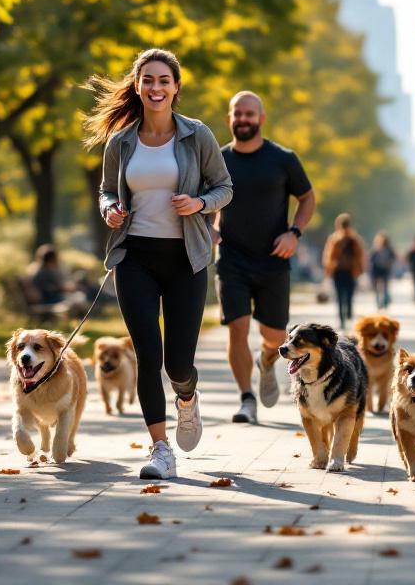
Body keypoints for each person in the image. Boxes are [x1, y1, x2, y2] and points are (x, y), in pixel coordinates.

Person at [85, 47, 233, 480]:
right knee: (148, 354)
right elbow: (105, 191)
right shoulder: (121, 141)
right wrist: (110, 208)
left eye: (163, 80)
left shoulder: (197, 135)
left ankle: (187, 398)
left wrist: (200, 202)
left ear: (176, 88)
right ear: (137, 86)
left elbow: (225, 187)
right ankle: (160, 448)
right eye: (147, 80)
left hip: (187, 257)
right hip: (136, 257)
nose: (155, 87)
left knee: (178, 363)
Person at [215, 90, 315, 425]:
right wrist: (209, 229)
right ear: (230, 118)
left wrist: (294, 233)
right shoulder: (216, 159)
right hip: (231, 258)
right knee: (237, 329)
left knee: (274, 336)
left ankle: (268, 360)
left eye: (249, 113)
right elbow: (201, 200)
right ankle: (246, 399)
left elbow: (307, 198)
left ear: (261, 118)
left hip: (273, 259)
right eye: (237, 113)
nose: (243, 119)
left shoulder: (282, 158)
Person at [322, 213, 365, 330]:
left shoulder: (354, 239)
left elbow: (360, 255)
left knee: (350, 295)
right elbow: (329, 256)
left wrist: (361, 270)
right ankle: (341, 319)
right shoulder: (335, 239)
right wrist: (328, 270)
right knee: (339, 297)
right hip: (338, 271)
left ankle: (349, 312)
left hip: (351, 271)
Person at [26, 244, 90, 315]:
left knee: (77, 297)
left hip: (47, 298)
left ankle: (82, 316)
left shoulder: (38, 269)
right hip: (48, 299)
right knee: (78, 298)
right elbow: (50, 290)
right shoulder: (45, 272)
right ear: (52, 259)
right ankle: (83, 316)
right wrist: (63, 289)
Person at [368, 231, 397, 309]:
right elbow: (370, 259)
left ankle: (383, 301)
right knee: (380, 287)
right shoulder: (376, 249)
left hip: (384, 270)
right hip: (378, 270)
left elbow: (393, 258)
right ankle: (381, 302)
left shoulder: (387, 249)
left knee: (384, 287)